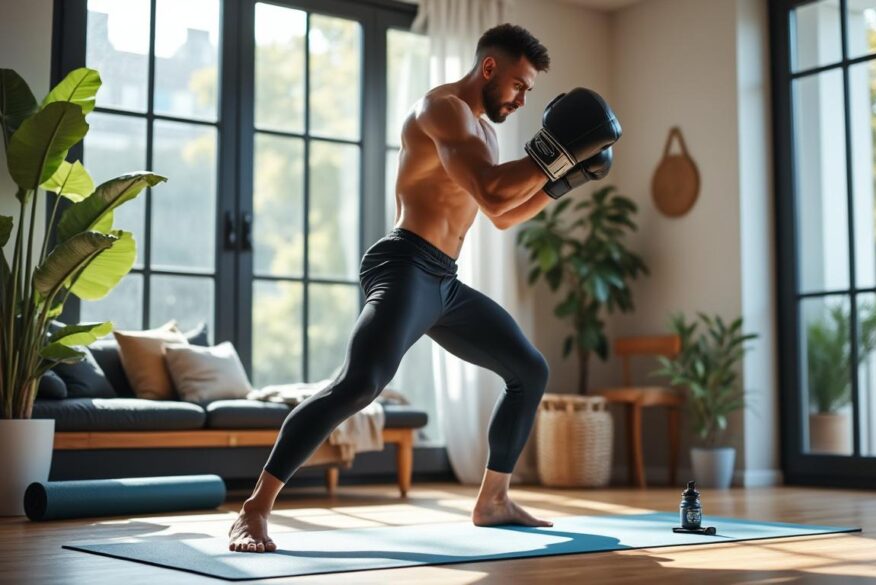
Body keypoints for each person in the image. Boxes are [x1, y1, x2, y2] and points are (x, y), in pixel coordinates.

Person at [228, 22, 620, 553]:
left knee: (528, 370)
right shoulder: (442, 110)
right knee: (359, 383)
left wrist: (564, 180)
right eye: (519, 85)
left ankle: (494, 500)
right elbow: (490, 186)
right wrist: (555, 155)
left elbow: (500, 213)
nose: (523, 98)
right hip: (404, 264)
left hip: (443, 280)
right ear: (489, 68)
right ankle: (253, 510)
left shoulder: (486, 133)